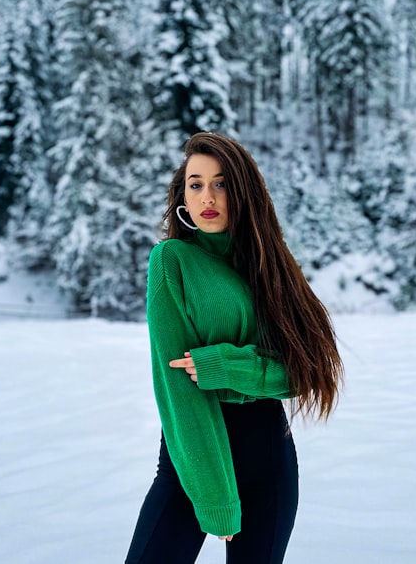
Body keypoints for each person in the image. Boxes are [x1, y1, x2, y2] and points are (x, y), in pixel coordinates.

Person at [125, 132, 344, 564]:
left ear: (243, 190)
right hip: (194, 458)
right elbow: (178, 389)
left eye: (221, 183)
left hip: (269, 454)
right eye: (196, 184)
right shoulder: (172, 260)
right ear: (183, 196)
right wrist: (215, 497)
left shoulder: (270, 265)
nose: (208, 195)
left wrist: (227, 366)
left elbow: (305, 372)